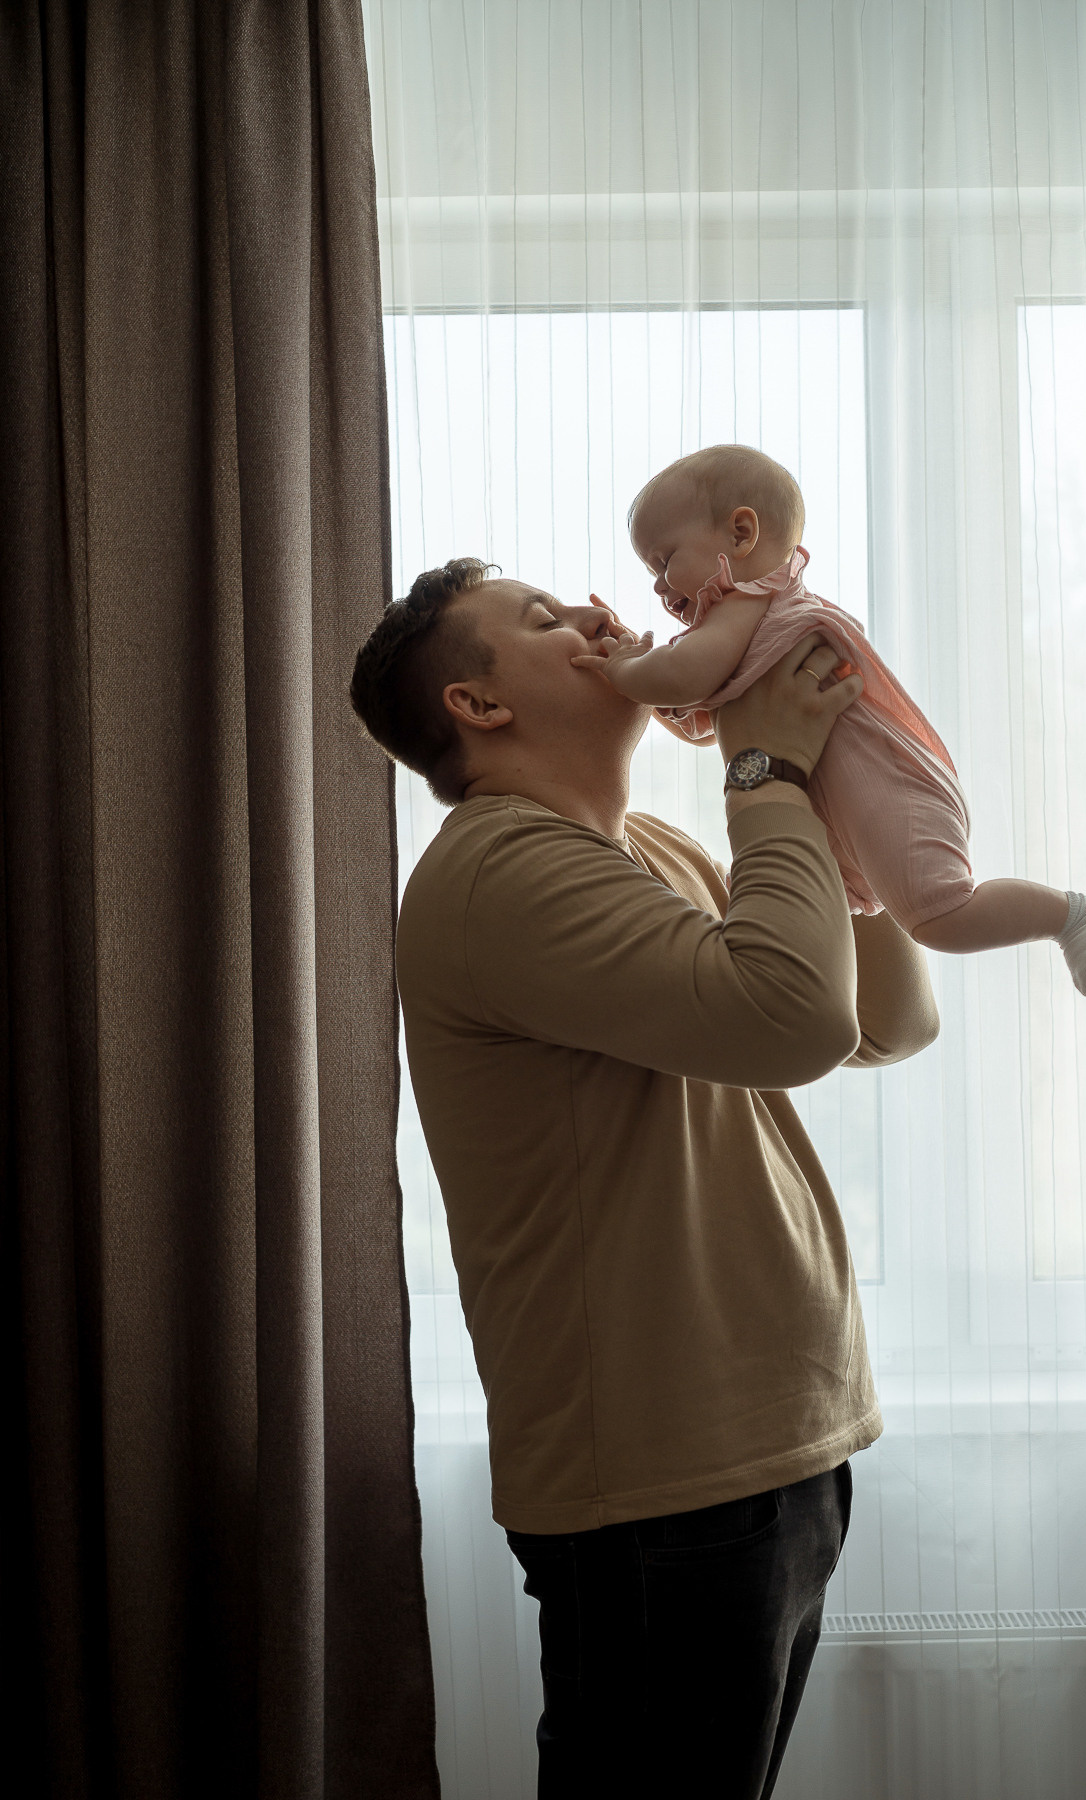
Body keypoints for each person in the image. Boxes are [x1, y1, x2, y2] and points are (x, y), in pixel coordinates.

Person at [350, 556, 940, 1799]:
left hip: (760, 1443)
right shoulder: (500, 870)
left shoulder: (651, 847)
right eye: (544, 620)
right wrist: (763, 768)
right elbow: (790, 1019)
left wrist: (833, 802)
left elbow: (883, 1021)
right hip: (663, 1478)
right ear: (478, 705)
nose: (597, 618)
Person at [572, 444, 1086, 996]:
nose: (660, 588)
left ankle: (1070, 916)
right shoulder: (738, 632)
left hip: (889, 781)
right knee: (760, 906)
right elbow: (696, 716)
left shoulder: (754, 600)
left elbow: (684, 677)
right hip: (841, 805)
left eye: (664, 563)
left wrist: (626, 669)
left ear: (741, 535)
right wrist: (642, 683)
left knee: (943, 914)